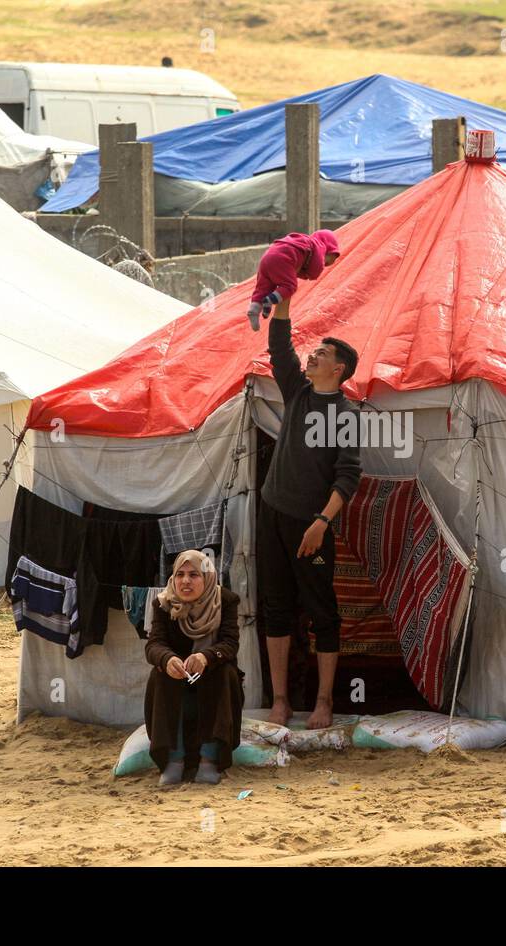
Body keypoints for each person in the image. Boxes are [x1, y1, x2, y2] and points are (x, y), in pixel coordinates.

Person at [258, 297, 361, 729]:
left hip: (312, 526)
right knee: (275, 607)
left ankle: (323, 703)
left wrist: (322, 523)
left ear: (337, 369)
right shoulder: (298, 392)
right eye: (315, 351)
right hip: (273, 514)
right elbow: (280, 347)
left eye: (322, 353)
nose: (312, 355)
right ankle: (280, 701)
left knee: (323, 612)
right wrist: (282, 300)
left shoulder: (346, 414)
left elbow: (348, 476)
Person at [143, 550, 244, 786]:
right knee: (159, 674)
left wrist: (206, 657)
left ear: (207, 578)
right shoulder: (163, 603)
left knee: (224, 671)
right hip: (178, 684)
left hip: (213, 682)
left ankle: (209, 760)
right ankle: (173, 760)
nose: (185, 581)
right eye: (180, 574)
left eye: (194, 575)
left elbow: (230, 643)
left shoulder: (226, 601)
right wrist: (167, 659)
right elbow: (154, 645)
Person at [246, 229, 340, 331]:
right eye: (326, 262)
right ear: (329, 249)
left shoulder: (301, 241)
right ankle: (269, 300)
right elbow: (314, 271)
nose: (324, 264)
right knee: (289, 286)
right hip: (282, 260)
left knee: (263, 287)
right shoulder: (318, 246)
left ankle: (254, 309)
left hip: (267, 256)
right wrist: (308, 274)